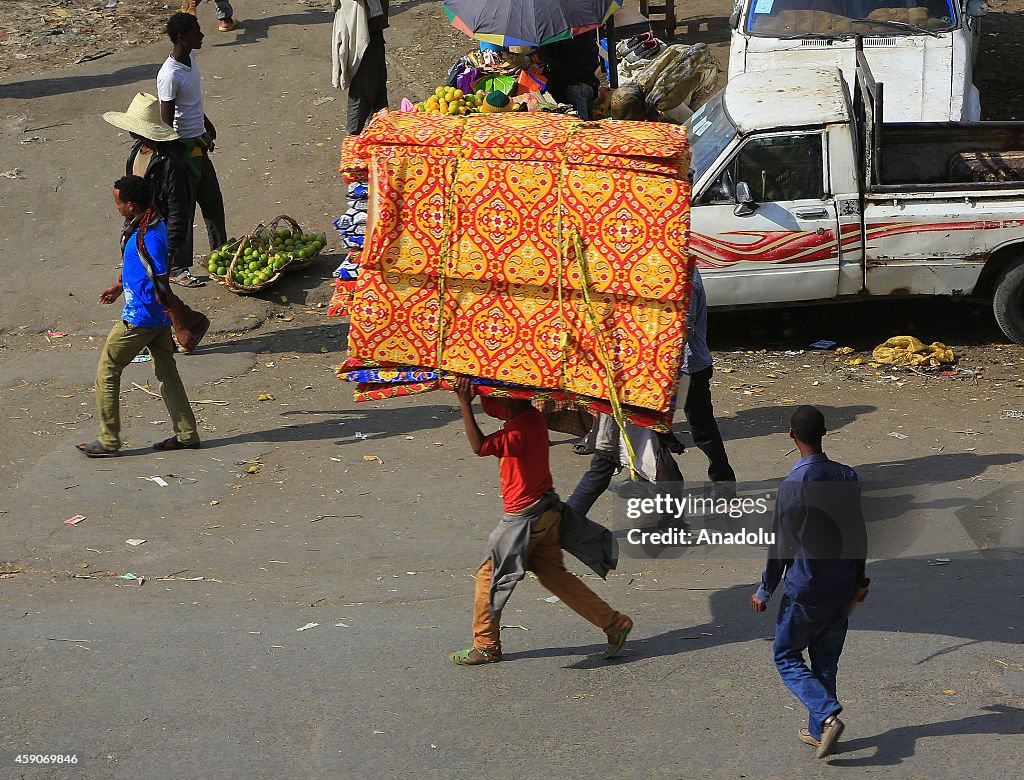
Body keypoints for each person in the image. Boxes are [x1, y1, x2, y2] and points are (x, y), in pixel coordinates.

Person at [450, 377, 633, 666]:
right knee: (555, 576)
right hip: (547, 512)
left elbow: (479, 445)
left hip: (524, 518)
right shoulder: (531, 417)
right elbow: (496, 409)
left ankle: (485, 645)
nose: (491, 403)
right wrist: (474, 392)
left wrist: (463, 403)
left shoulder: (518, 432)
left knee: (489, 576)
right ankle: (614, 624)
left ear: (511, 398)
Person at [751, 405, 869, 759]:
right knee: (825, 663)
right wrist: (859, 579)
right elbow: (858, 533)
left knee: (786, 655)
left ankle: (828, 715)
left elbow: (781, 544)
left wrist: (765, 588)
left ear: (791, 435)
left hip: (807, 589)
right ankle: (819, 732)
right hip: (842, 585)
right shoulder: (847, 476)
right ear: (824, 433)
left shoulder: (793, 485)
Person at [76, 176, 201, 458]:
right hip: (156, 319)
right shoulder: (150, 224)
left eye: (118, 203)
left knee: (107, 371)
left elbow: (161, 285)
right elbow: (143, 270)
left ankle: (108, 441)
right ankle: (187, 434)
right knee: (167, 374)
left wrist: (181, 328)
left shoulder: (147, 237)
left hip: (141, 318)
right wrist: (120, 285)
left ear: (131, 205)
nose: (117, 208)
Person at [157, 12, 228, 287]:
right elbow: (167, 119)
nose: (202, 34)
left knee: (212, 201)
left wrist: (206, 124)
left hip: (198, 143)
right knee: (183, 210)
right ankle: (177, 267)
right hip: (182, 149)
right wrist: (173, 156)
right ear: (182, 37)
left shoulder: (191, 60)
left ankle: (222, 254)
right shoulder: (169, 75)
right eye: (196, 31)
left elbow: (192, 103)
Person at [102, 93, 194, 288]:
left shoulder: (170, 162)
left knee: (155, 291)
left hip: (156, 230)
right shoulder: (137, 150)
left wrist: (169, 252)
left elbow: (178, 208)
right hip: (140, 226)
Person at [683, 268, 737, 498]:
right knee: (649, 429)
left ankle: (724, 484)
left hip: (688, 369)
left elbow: (682, 328)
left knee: (702, 429)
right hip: (677, 368)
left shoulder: (684, 276)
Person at [344, 0, 389, 135]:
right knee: (363, 87)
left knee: (378, 87)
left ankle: (380, 135)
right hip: (363, 26)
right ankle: (352, 143)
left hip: (374, 26)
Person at [536, 32, 600, 119]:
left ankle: (583, 121)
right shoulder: (551, 40)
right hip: (558, 87)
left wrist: (551, 61)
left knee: (575, 90)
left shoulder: (583, 40)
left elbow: (580, 69)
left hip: (583, 85)